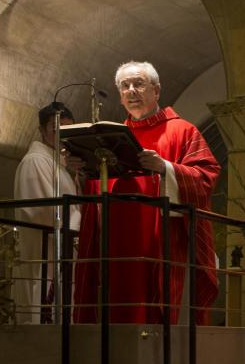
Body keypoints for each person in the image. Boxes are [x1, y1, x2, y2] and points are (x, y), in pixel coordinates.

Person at [74, 61, 220, 324]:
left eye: (139, 84)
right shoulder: (110, 138)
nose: (132, 91)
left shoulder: (182, 131)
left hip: (161, 242)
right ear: (120, 95)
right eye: (125, 86)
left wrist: (165, 168)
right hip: (115, 240)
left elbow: (207, 177)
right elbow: (96, 187)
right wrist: (82, 169)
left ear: (156, 90)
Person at [13, 102, 83, 324]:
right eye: (56, 129)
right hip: (48, 256)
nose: (62, 135)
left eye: (68, 130)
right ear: (42, 130)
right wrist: (85, 227)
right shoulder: (36, 162)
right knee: (44, 315)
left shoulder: (57, 163)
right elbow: (45, 214)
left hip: (62, 256)